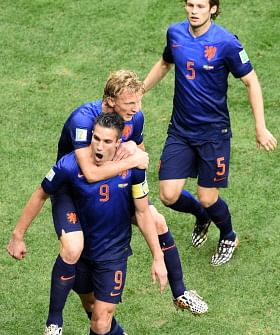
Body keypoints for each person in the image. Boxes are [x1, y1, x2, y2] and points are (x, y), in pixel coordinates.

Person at [7, 70, 208, 334]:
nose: (136, 110)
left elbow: (141, 153)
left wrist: (135, 154)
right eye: (130, 104)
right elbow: (89, 173)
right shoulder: (83, 120)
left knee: (156, 220)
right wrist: (131, 160)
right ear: (111, 100)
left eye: (138, 103)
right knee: (74, 248)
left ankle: (179, 292)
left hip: (113, 185)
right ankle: (54, 323)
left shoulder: (134, 118)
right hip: (73, 189)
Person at [7, 112, 168, 335]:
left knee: (101, 322)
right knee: (92, 308)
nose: (99, 146)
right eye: (96, 138)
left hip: (113, 255)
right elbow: (40, 194)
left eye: (107, 141)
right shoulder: (70, 165)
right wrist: (18, 235)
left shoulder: (133, 169)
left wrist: (158, 258)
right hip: (82, 255)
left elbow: (142, 213)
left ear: (118, 142)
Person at [143, 0, 277, 266]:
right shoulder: (175, 33)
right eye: (190, 5)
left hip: (213, 134)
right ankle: (202, 216)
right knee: (168, 195)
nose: (194, 10)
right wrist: (140, 90)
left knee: (208, 196)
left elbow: (251, 81)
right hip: (180, 130)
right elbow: (164, 63)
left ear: (213, 9)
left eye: (201, 6)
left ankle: (228, 235)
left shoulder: (227, 43)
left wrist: (260, 127)